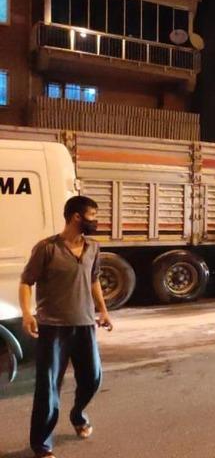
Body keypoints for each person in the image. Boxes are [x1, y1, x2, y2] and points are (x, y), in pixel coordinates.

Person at [19, 196, 113, 458]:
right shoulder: (47, 248)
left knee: (93, 378)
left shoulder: (93, 248)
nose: (95, 221)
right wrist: (27, 313)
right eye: (92, 215)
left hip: (84, 325)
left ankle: (77, 414)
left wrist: (102, 310)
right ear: (76, 217)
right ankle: (42, 444)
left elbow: (93, 280)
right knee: (48, 388)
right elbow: (26, 282)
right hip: (53, 328)